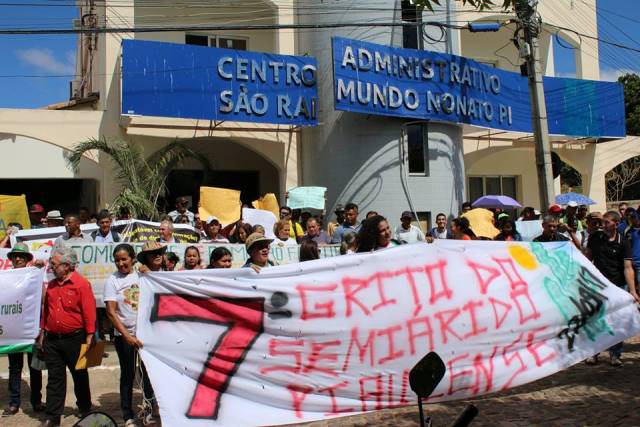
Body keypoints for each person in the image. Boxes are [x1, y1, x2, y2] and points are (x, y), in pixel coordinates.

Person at [38, 246, 96, 427]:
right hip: (52, 340)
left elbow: (89, 312)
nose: (51, 267)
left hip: (75, 339)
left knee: (79, 374)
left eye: (54, 264)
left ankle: (85, 407)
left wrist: (90, 336)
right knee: (55, 378)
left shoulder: (82, 284)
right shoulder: (52, 285)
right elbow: (45, 311)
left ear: (67, 265)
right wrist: (42, 332)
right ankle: (53, 416)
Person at [104, 244, 156, 427]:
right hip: (124, 336)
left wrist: (148, 271)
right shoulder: (112, 281)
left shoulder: (142, 275)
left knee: (148, 374)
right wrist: (126, 336)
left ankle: (149, 411)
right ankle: (127, 414)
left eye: (124, 259)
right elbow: (111, 312)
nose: (121, 263)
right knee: (128, 375)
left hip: (144, 335)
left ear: (133, 258)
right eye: (117, 260)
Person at [585, 211, 632, 367]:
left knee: (617, 321)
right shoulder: (595, 238)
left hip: (618, 286)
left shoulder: (623, 242)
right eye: (602, 222)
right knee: (596, 320)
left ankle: (615, 354)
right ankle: (593, 353)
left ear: (616, 224)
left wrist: (632, 290)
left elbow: (627, 267)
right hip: (597, 286)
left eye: (606, 222)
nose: (602, 225)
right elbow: (586, 259)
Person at [3, 243, 45, 417]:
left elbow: (43, 298)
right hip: (14, 330)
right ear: (11, 259)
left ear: (27, 259)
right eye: (15, 256)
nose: (18, 258)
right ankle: (14, 402)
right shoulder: (5, 278)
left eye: (21, 256)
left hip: (31, 329)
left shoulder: (34, 277)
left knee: (35, 367)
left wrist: (37, 273)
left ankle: (36, 401)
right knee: (15, 367)